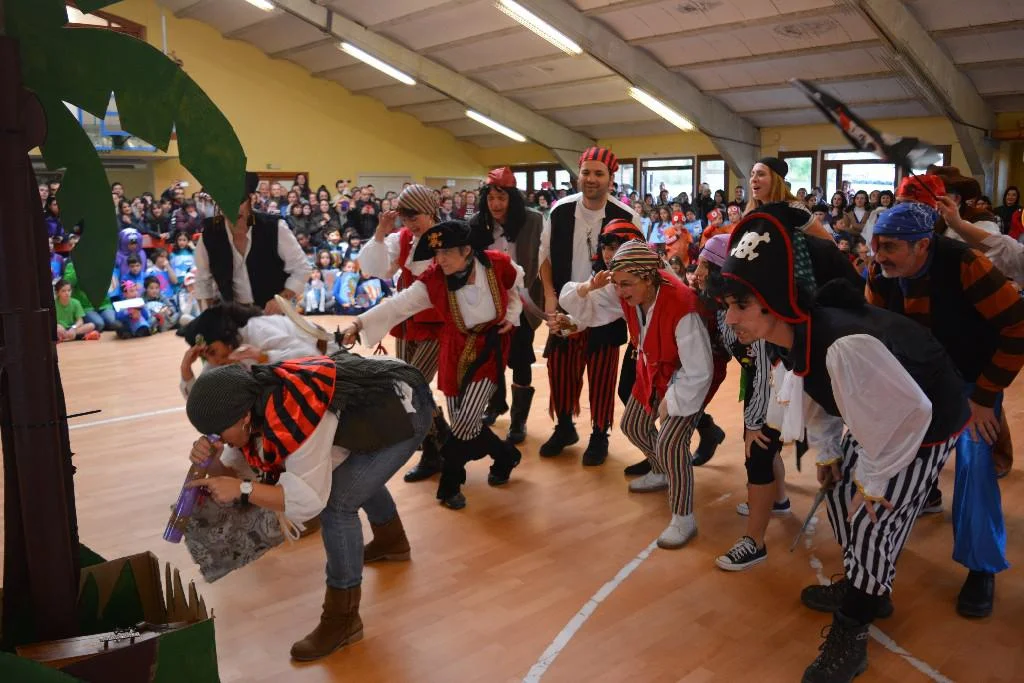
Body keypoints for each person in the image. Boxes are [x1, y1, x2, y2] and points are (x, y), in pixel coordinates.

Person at [719, 210, 968, 683]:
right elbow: (820, 393)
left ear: (774, 303)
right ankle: (865, 585)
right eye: (729, 305)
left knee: (872, 521)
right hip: (885, 415)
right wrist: (830, 453)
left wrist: (873, 483)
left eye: (741, 305)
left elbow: (909, 414)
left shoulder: (841, 343)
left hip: (925, 422)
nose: (731, 318)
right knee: (838, 491)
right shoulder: (790, 336)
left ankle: (852, 631)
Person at [182, 351, 434, 661]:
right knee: (350, 479)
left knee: (338, 505)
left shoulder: (296, 415)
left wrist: (243, 490)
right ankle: (391, 541)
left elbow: (308, 501)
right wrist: (214, 462)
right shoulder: (252, 407)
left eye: (217, 432)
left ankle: (343, 620)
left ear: (243, 418)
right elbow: (243, 476)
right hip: (372, 403)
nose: (215, 439)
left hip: (405, 405)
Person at [866, 195, 1024, 619]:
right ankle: (876, 552)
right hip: (915, 379)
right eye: (876, 244)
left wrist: (985, 398)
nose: (879, 255)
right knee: (890, 455)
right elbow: (871, 334)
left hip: (970, 380)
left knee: (975, 462)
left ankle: (981, 565)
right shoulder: (880, 273)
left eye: (889, 247)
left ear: (923, 245)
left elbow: (1017, 327)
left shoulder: (968, 264)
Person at [341, 220, 524, 510]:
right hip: (454, 350)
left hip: (489, 351)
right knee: (466, 423)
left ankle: (450, 485)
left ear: (467, 250)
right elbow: (398, 305)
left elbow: (515, 288)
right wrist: (358, 323)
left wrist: (512, 315)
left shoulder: (497, 264)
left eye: (446, 252)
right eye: (436, 253)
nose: (440, 259)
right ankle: (505, 455)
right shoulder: (434, 279)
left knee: (463, 424)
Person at [558, 240, 714, 548]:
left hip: (685, 378)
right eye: (616, 284)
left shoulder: (682, 305)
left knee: (671, 443)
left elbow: (700, 370)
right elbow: (591, 309)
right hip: (652, 370)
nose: (619, 291)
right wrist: (573, 321)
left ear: (648, 278)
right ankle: (663, 471)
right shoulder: (630, 290)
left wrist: (672, 401)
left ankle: (683, 516)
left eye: (625, 284)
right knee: (633, 425)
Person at [690, 235, 789, 571]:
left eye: (703, 266)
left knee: (758, 452)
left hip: (774, 386)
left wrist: (755, 423)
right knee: (766, 449)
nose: (697, 272)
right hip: (764, 383)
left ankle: (755, 542)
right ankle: (779, 499)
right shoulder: (725, 304)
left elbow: (764, 369)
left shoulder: (750, 309)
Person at [538, 147, 641, 465]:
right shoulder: (560, 211)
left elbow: (638, 266)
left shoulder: (627, 217)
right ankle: (564, 427)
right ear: (578, 175)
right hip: (567, 305)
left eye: (599, 173)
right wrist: (550, 296)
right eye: (586, 172)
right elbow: (544, 258)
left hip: (607, 312)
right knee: (560, 370)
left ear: (611, 178)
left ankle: (599, 434)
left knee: (602, 375)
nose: (591, 179)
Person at [358, 184, 451, 482]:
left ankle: (434, 449)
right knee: (409, 386)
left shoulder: (449, 237)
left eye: (415, 216)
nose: (410, 223)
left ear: (430, 211)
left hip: (436, 324)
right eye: (406, 217)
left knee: (412, 386)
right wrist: (380, 233)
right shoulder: (402, 239)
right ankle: (440, 437)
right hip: (406, 322)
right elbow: (376, 270)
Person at [470, 167, 544, 444]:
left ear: (512, 198)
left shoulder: (533, 221)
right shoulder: (477, 223)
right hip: (488, 303)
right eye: (491, 198)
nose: (496, 204)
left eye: (502, 198)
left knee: (521, 359)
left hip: (523, 299)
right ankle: (494, 404)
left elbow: (543, 258)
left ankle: (518, 419)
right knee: (490, 358)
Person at [193, 172, 310, 314]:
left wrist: (281, 299)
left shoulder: (274, 227)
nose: (233, 209)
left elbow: (302, 268)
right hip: (234, 315)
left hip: (274, 315)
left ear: (250, 200)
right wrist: (207, 316)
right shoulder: (210, 235)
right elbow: (202, 281)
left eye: (239, 201)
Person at [178, 302, 338, 399]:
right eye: (205, 357)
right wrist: (186, 370)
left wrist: (264, 356)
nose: (213, 361)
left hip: (331, 362)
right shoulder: (219, 356)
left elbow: (312, 355)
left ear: (226, 336)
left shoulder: (257, 329)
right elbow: (202, 402)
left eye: (212, 352)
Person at [745, 157, 832, 240]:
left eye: (761, 174)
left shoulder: (795, 209)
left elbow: (829, 243)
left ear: (776, 181)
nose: (753, 179)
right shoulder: (751, 211)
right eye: (752, 174)